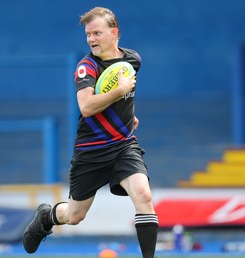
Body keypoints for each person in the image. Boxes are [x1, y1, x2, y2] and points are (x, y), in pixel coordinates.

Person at [23, 7, 158, 258]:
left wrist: (129, 115)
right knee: (74, 216)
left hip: (123, 145)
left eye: (97, 32)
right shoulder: (86, 67)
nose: (91, 39)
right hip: (91, 151)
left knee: (144, 195)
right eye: (88, 34)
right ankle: (45, 217)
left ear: (114, 32)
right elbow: (86, 107)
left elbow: (126, 95)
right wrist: (118, 93)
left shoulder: (132, 60)